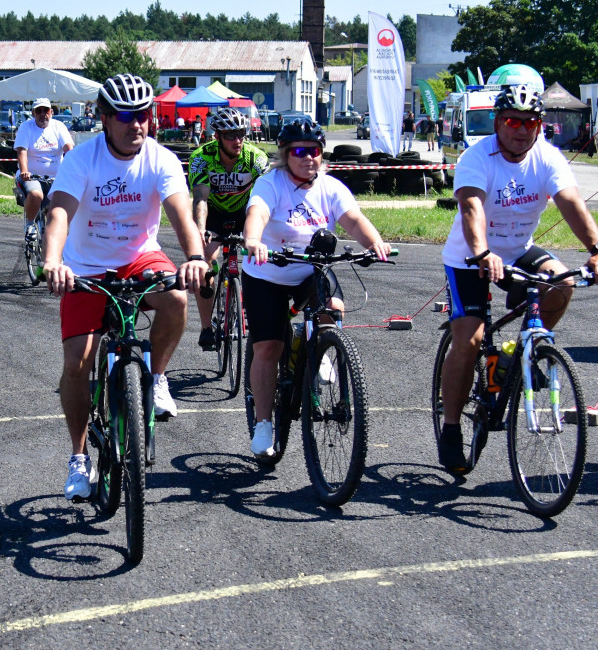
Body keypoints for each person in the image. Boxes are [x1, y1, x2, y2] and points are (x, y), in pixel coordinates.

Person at [42, 73, 208, 501]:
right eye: (125, 116)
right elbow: (59, 214)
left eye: (144, 115)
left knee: (176, 297)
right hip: (86, 267)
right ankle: (79, 459)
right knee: (78, 364)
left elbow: (180, 214)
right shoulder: (82, 159)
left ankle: (155, 379)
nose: (137, 124)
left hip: (139, 256)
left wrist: (194, 257)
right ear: (103, 118)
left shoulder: (161, 159)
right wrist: (53, 262)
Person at [437, 84, 598, 472]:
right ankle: (452, 427)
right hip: (469, 256)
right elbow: (472, 208)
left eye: (530, 122)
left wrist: (595, 248)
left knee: (563, 282)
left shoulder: (546, 157)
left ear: (540, 125)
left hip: (518, 252)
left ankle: (514, 355)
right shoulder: (478, 158)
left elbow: (572, 204)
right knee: (471, 338)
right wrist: (482, 253)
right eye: (512, 121)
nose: (521, 129)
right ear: (497, 123)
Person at [240, 120, 390, 458]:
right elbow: (258, 214)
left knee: (333, 305)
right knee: (268, 347)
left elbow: (352, 220)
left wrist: (375, 242)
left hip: (312, 269)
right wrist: (253, 240)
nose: (310, 158)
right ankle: (264, 423)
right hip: (268, 273)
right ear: (285, 154)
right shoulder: (270, 184)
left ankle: (323, 351)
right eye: (300, 151)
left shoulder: (331, 187)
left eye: (316, 151)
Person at [188, 106, 269, 350]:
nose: (238, 140)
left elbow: (268, 195)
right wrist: (201, 230)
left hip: (245, 213)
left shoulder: (256, 158)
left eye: (241, 134)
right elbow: (201, 197)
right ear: (217, 137)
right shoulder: (201, 158)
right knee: (206, 264)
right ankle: (206, 327)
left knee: (262, 259)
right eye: (231, 135)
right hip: (213, 214)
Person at [15, 97, 74, 243]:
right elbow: (21, 151)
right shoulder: (26, 127)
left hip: (55, 177)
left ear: (51, 112)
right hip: (32, 176)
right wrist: (24, 171)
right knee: (36, 195)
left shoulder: (58, 126)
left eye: (45, 110)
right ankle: (30, 225)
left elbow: (69, 150)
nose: (43, 114)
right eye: (38, 111)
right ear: (33, 113)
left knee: (59, 211)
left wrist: (73, 169)